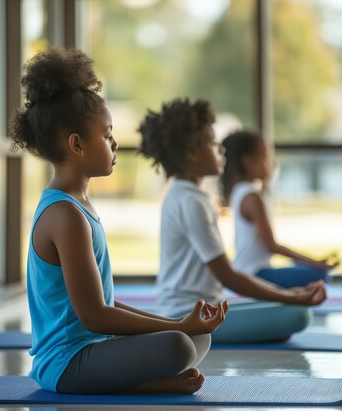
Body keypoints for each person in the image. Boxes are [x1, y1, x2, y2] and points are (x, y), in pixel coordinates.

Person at [10, 48, 227, 395]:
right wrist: (176, 330)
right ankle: (151, 383)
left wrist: (180, 324)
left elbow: (104, 304)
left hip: (95, 350)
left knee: (196, 338)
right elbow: (94, 316)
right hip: (66, 364)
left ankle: (151, 376)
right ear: (77, 144)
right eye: (107, 134)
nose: (114, 143)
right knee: (180, 346)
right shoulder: (65, 215)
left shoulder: (79, 207)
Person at [137, 98, 326, 344]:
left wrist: (285, 295)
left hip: (204, 311)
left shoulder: (185, 194)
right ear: (193, 152)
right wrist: (291, 297)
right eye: (214, 144)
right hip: (190, 317)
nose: (222, 150)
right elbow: (228, 276)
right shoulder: (192, 202)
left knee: (292, 314)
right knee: (298, 315)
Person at [220, 130, 341, 289]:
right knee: (320, 274)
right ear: (247, 161)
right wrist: (315, 262)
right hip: (255, 273)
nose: (270, 164)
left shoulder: (240, 191)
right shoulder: (252, 197)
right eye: (264, 158)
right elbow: (271, 246)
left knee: (307, 269)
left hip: (247, 269)